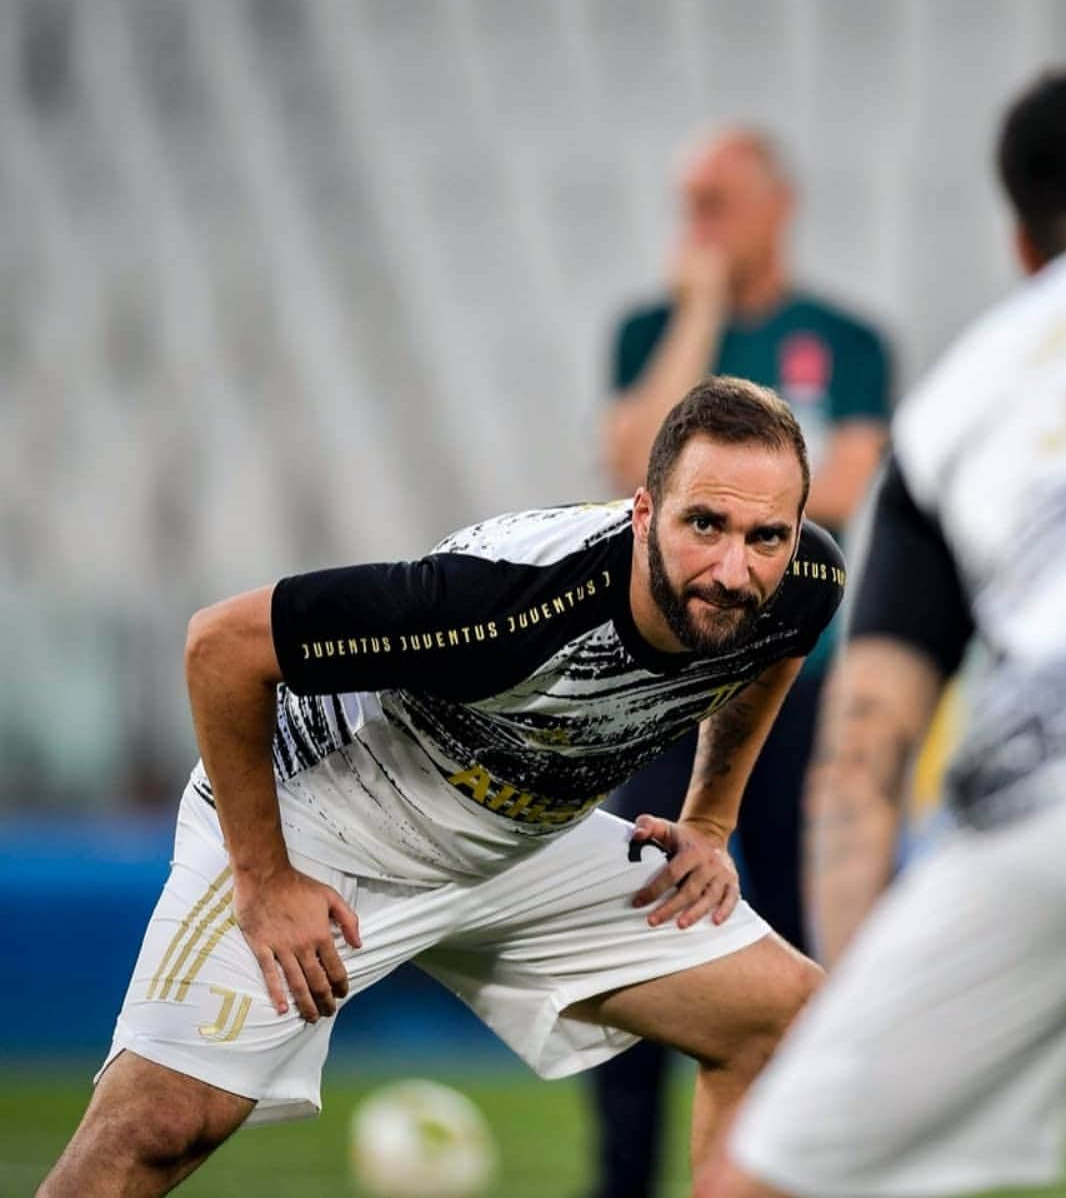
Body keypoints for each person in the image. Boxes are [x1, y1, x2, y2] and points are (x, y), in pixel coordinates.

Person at [40, 377, 844, 1197]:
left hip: (521, 843)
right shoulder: (505, 602)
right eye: (703, 524)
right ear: (643, 514)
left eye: (766, 537)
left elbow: (778, 645)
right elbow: (221, 646)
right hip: (323, 821)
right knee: (156, 1129)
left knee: (781, 1018)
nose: (733, 568)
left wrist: (708, 819)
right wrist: (264, 875)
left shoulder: (805, 577)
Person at [701, 71, 1066, 1198]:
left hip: (1044, 806)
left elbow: (860, 765)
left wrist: (849, 1010)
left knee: (758, 1182)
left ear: (1017, 243)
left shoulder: (962, 398)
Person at [591, 129, 890, 1198]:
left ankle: (810, 1170)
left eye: (716, 200)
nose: (697, 224)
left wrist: (730, 503)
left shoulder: (846, 339)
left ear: (777, 203)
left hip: (791, 690)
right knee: (632, 932)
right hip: (662, 691)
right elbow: (632, 469)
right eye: (687, 203)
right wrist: (699, 312)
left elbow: (846, 489)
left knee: (810, 941)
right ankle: (621, 1180)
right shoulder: (649, 330)